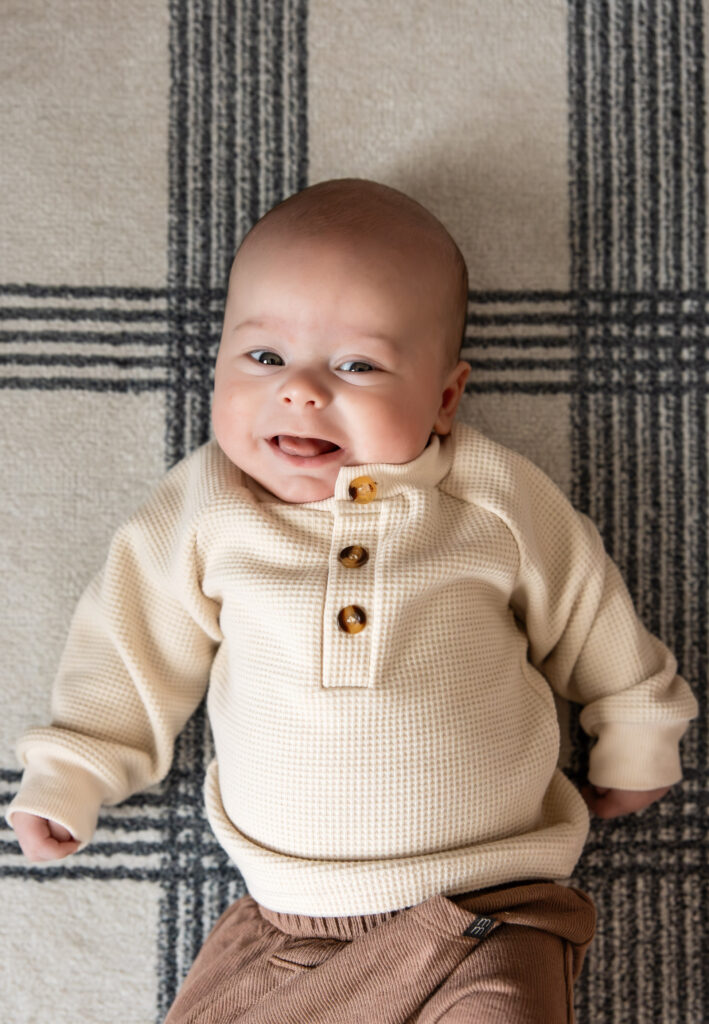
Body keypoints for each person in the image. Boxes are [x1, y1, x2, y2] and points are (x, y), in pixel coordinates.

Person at [7, 179, 697, 1023]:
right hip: (288, 924)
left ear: (445, 398)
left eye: (356, 365)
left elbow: (586, 606)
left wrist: (635, 729)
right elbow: (130, 645)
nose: (299, 391)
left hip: (492, 908)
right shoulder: (206, 508)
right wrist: (72, 772)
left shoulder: (487, 496)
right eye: (263, 358)